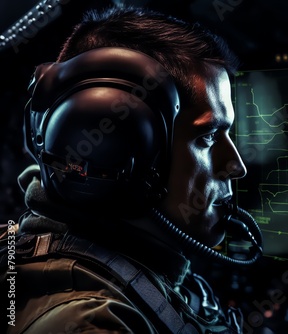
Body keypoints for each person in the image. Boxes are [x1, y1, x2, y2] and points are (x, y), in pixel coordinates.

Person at [0, 5, 262, 334]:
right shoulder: (95, 324)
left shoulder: (149, 268)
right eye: (207, 137)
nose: (236, 166)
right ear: (116, 148)